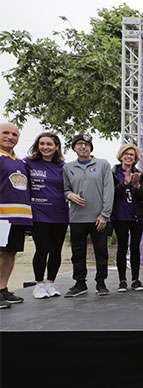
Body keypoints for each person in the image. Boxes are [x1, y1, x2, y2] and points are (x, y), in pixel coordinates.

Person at [63, 133, 114, 297]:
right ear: (74, 148)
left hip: (98, 218)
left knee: (101, 251)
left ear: (91, 147)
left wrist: (105, 214)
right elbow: (65, 189)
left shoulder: (103, 164)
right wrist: (69, 195)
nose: (83, 147)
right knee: (77, 253)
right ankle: (79, 283)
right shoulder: (67, 167)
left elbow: (109, 190)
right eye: (79, 144)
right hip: (77, 218)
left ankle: (101, 282)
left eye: (86, 144)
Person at [25, 132, 68, 299]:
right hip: (38, 213)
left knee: (56, 250)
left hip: (60, 214)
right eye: (42, 144)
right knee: (42, 249)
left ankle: (50, 283)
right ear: (37, 146)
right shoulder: (28, 163)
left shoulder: (63, 166)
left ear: (56, 147)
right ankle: (39, 285)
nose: (45, 147)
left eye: (49, 144)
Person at [0, 122, 31, 308]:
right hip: (1, 216)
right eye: (5, 133)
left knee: (10, 253)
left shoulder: (19, 162)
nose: (10, 137)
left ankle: (3, 288)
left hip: (18, 217)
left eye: (14, 134)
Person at [112, 143, 143, 293]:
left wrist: (137, 185)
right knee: (122, 247)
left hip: (136, 216)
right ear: (121, 156)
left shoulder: (139, 173)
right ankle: (122, 280)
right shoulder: (113, 172)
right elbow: (111, 194)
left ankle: (135, 279)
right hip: (120, 215)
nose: (128, 157)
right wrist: (124, 183)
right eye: (126, 154)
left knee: (135, 247)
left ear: (135, 159)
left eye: (131, 155)